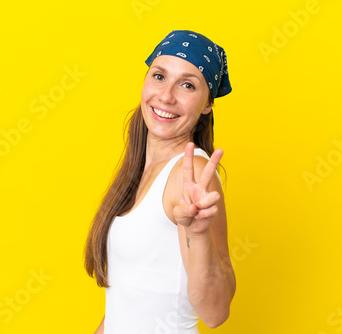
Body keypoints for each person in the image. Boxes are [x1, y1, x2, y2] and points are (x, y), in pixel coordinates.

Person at [84, 30, 236, 334]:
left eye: (188, 85)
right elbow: (125, 307)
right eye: (159, 76)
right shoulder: (139, 171)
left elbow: (216, 312)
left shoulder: (189, 176)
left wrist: (198, 232)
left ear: (207, 104)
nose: (166, 96)